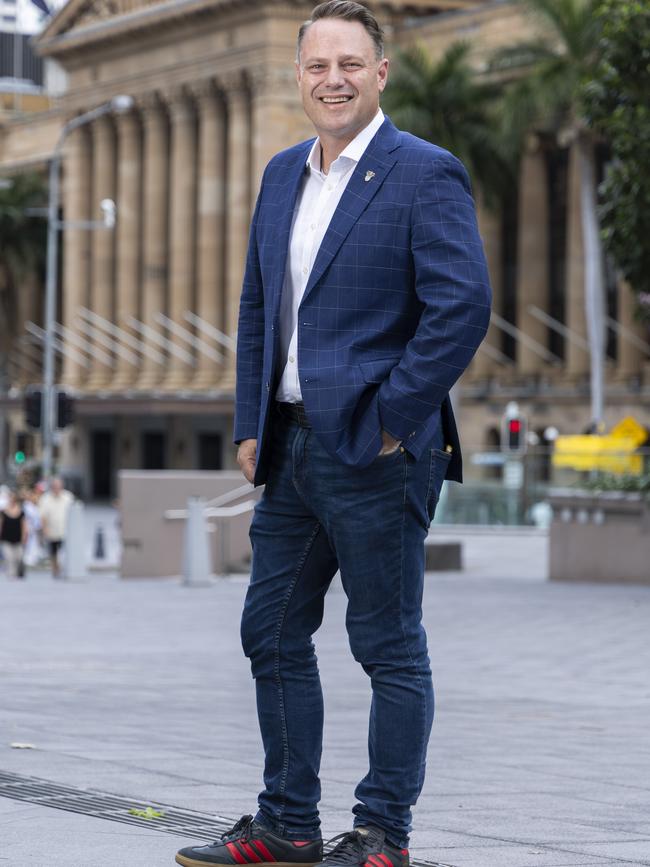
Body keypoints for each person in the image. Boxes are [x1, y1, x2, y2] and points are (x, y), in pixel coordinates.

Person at [176, 3, 491, 866]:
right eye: (318, 65)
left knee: (387, 645)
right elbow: (257, 305)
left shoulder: (423, 172)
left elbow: (461, 306)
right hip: (291, 446)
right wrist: (250, 421)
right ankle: (287, 824)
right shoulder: (282, 175)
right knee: (269, 630)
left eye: (351, 63)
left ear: (380, 71)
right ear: (300, 75)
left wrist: (394, 417)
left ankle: (383, 832)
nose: (334, 79)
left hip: (380, 452)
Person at [38, 477, 74, 578]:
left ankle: (62, 568)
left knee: (64, 552)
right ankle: (55, 569)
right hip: (51, 531)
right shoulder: (45, 498)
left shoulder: (68, 497)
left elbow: (74, 512)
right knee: (53, 552)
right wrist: (44, 529)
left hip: (65, 530)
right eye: (55, 486)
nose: (57, 488)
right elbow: (42, 516)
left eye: (59, 486)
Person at [0, 490, 28, 580]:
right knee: (9, 557)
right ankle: (11, 574)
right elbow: (1, 524)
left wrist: (24, 536)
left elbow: (24, 525)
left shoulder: (21, 511)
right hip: (6, 538)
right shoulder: (3, 512)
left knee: (18, 557)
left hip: (18, 538)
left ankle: (16, 573)